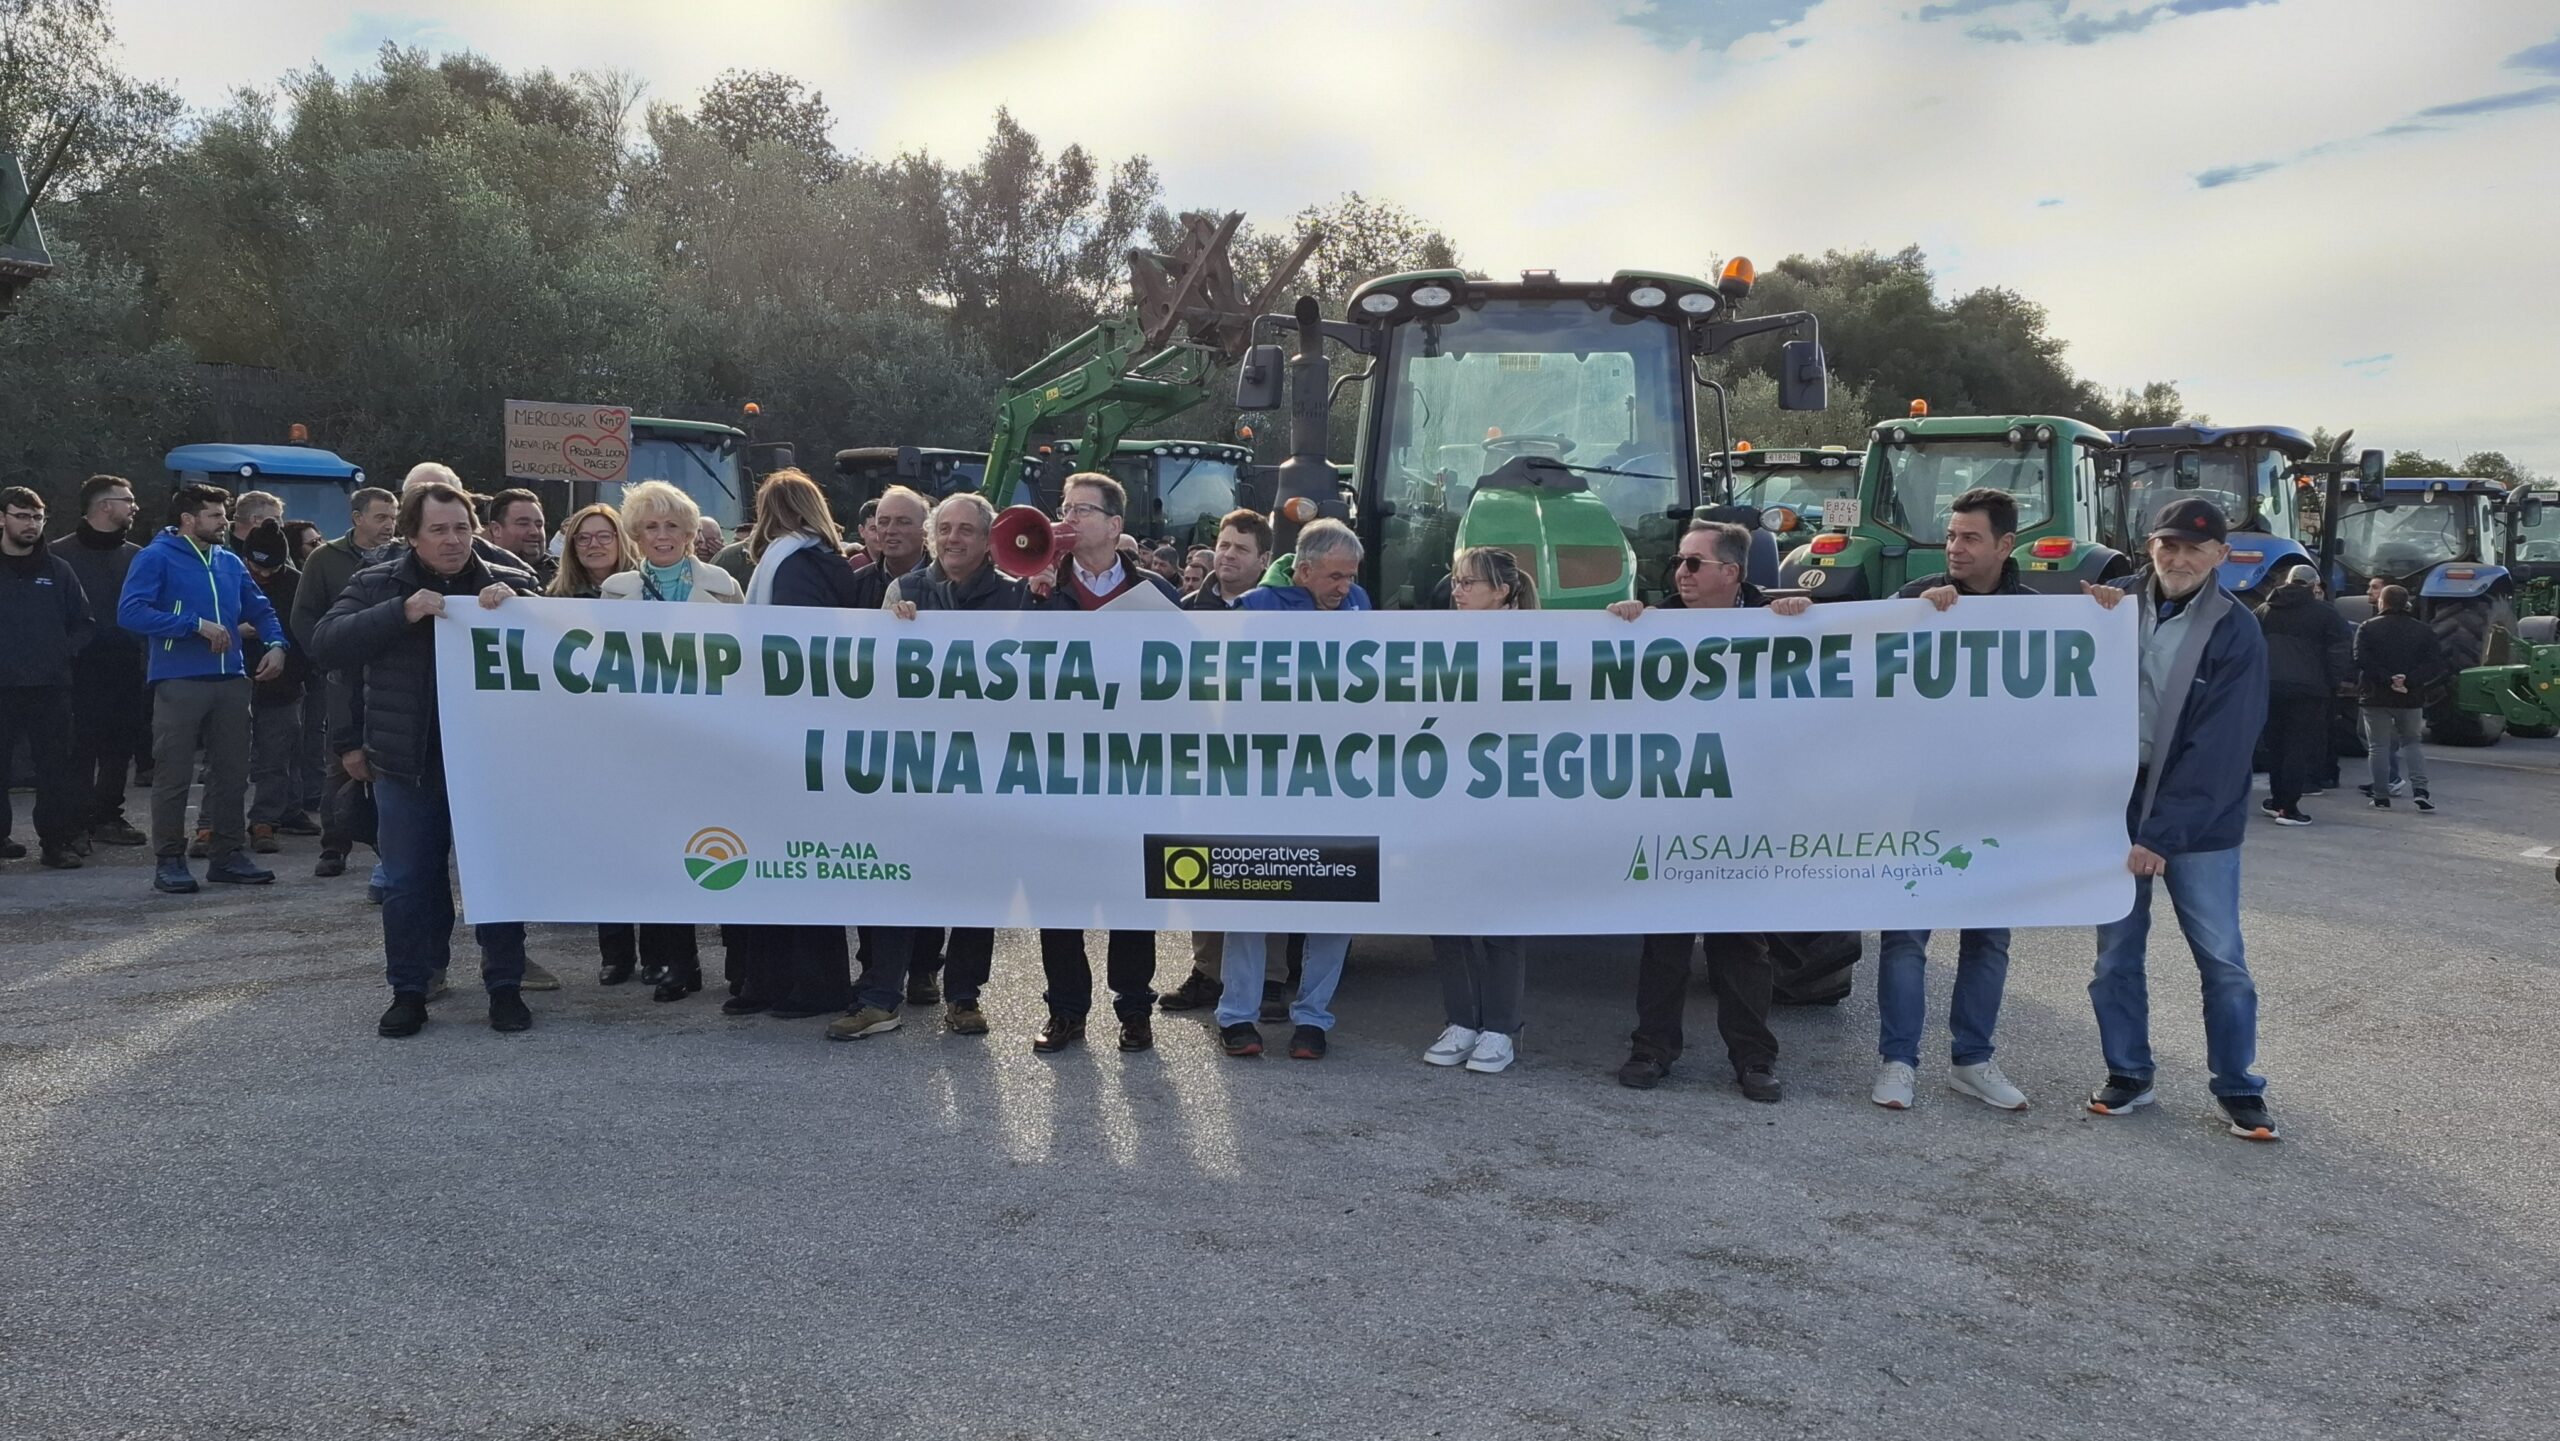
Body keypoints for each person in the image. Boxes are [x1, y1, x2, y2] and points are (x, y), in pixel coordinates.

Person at [312, 479, 542, 1037]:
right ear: (412, 536)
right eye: (438, 530)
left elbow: (560, 642)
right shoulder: (375, 583)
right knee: (409, 882)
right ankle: (411, 989)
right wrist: (401, 612)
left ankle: (505, 986)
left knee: (496, 876)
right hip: (407, 764)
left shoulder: (511, 578)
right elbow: (327, 645)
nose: (452, 540)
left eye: (461, 528)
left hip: (491, 765)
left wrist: (522, 610)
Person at [2082, 497, 2279, 1140]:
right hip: (2117, 803)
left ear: (2220, 556)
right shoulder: (2108, 605)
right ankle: (2128, 1073)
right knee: (2115, 956)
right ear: (2150, 546)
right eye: (2169, 545)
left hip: (2200, 817)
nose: (2180, 558)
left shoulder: (2236, 629)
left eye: (2196, 549)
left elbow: (2222, 748)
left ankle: (2238, 1086)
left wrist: (2161, 834)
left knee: (2221, 958)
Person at [1605, 519, 1811, 1101]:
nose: (1682, 573)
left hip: (1745, 807)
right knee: (1665, 938)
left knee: (1741, 941)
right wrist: (1621, 621)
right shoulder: (1654, 624)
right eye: (1679, 562)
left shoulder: (1776, 621)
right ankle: (1652, 1048)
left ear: (1732, 573)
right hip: (1676, 801)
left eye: (1694, 563)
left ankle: (1754, 1058)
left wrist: (1806, 616)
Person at [1870, 488, 2036, 1111]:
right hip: (1920, 800)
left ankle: (1973, 1061)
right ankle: (1897, 1062)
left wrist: (2102, 610)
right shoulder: (1918, 598)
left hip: (1996, 806)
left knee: (1987, 939)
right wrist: (1913, 613)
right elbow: (1852, 641)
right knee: (1906, 937)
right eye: (1950, 536)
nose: (1955, 548)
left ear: (2005, 545)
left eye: (1970, 537)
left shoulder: (2039, 614)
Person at [1029, 472, 1179, 1054]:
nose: (1067, 518)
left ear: (1115, 526)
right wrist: (1034, 596)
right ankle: (1065, 1010)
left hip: (1132, 773)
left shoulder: (1157, 594)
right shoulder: (1037, 587)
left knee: (1132, 895)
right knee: (1059, 897)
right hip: (1058, 771)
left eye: (1082, 510)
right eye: (1064, 508)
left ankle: (1134, 1009)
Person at [886, 492, 1042, 1037]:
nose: (953, 538)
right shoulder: (904, 591)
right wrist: (892, 628)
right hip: (924, 762)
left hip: (989, 762)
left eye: (966, 530)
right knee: (922, 871)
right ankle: (920, 970)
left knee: (980, 880)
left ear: (988, 539)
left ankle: (965, 994)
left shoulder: (1016, 597)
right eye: (945, 529)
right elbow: (878, 673)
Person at [1218, 518, 1372, 1062]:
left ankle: (1313, 1018)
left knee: (1336, 898)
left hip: (1337, 781)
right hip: (1265, 779)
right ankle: (1237, 1016)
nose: (1345, 587)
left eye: (1351, 577)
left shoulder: (1360, 606)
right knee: (1249, 895)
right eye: (1334, 577)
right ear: (1303, 571)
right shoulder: (1255, 609)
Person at [118, 483, 287, 894]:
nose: (224, 522)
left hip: (231, 679)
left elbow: (261, 608)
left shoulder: (227, 560)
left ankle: (227, 855)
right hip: (179, 680)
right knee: (173, 775)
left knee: (232, 774)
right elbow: (131, 612)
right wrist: (193, 625)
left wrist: (277, 645)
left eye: (223, 515)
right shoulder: (155, 557)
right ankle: (170, 859)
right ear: (187, 519)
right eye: (215, 515)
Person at [1160, 508, 1282, 1014]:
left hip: (1263, 761)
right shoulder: (1186, 610)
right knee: (1203, 866)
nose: (1228, 555)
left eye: (1241, 549)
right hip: (1202, 759)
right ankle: (1208, 971)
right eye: (1224, 545)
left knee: (1267, 865)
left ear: (1264, 559)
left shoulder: (1281, 614)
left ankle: (1269, 978)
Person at [1424, 547, 1539, 1074]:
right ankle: (1461, 1021)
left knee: (1501, 918)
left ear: (1503, 591)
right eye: (1456, 580)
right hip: (1446, 796)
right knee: (1446, 915)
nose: (1458, 590)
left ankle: (1501, 1029)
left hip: (1508, 800)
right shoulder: (1438, 639)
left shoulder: (1544, 641)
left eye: (1469, 582)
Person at [291, 486, 398, 879]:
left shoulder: (403, 556)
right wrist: (326, 658)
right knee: (341, 762)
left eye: (393, 517)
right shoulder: (324, 558)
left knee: (391, 763)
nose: (389, 526)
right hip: (342, 677)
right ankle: (334, 846)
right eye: (381, 517)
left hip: (391, 676)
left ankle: (390, 849)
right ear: (357, 518)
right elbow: (304, 616)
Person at [0, 486, 95, 870]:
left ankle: (55, 843)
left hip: (50, 688)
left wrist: (60, 653)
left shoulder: (59, 570)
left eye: (37, 517)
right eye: (22, 516)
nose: (31, 524)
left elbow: (84, 624)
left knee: (54, 769)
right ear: (2, 519)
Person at [53, 475, 149, 850]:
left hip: (126, 665)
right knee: (79, 748)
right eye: (128, 500)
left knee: (119, 746)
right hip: (78, 668)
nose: (135, 506)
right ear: (104, 506)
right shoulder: (59, 555)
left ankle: (108, 816)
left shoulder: (139, 556)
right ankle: (75, 823)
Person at [2254, 563, 2352, 826]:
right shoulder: (2326, 614)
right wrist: (2332, 683)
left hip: (2270, 687)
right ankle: (2288, 808)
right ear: (2314, 586)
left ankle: (2276, 800)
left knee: (2275, 746)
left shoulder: (2264, 610)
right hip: (2309, 691)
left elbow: (2249, 645)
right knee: (2297, 748)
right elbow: (2340, 651)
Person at [235, 520, 309, 855]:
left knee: (276, 758)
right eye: (257, 567)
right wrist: (235, 630)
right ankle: (213, 823)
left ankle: (266, 821)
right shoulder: (228, 576)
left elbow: (306, 632)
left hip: (283, 683)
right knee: (225, 758)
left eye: (272, 568)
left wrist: (292, 666)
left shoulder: (296, 584)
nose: (263, 575)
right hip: (232, 678)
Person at [2354, 584, 2447, 814]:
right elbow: (2435, 664)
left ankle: (2381, 796)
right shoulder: (2423, 630)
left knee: (2378, 746)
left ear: (2382, 602)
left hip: (2376, 696)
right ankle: (2421, 791)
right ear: (2406, 603)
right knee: (2412, 743)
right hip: (2410, 697)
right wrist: (2408, 681)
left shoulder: (2367, 627)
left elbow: (2361, 659)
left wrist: (2388, 679)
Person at [600, 481, 745, 607]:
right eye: (651, 527)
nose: (662, 536)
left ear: (687, 533)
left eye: (672, 526)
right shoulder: (614, 592)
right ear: (638, 535)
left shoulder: (726, 588)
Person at [843, 486, 929, 611]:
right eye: (883, 522)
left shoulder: (950, 585)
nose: (891, 530)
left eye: (903, 522)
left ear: (925, 529)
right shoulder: (855, 586)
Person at [547, 504, 632, 599]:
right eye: (583, 538)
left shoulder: (643, 588)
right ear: (573, 548)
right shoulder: (557, 597)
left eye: (604, 536)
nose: (594, 544)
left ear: (621, 541)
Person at [483, 489, 555, 587]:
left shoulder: (565, 576)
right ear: (496, 529)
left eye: (539, 525)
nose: (534, 532)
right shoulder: (477, 574)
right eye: (523, 524)